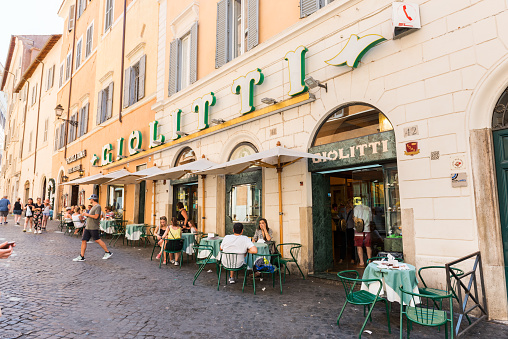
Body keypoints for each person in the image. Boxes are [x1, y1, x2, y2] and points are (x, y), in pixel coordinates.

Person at [73, 194, 113, 262]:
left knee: (97, 240)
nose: (89, 200)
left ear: (93, 199)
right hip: (88, 226)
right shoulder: (94, 207)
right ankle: (81, 256)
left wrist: (87, 214)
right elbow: (92, 216)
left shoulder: (98, 206)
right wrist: (86, 216)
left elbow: (96, 216)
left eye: (90, 199)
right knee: (84, 240)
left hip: (93, 227)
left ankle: (107, 252)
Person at [353, 199, 373, 267]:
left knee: (359, 246)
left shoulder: (356, 208)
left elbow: (355, 219)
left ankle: (362, 262)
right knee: (368, 246)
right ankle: (369, 261)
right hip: (367, 228)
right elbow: (370, 219)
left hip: (358, 229)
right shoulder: (368, 208)